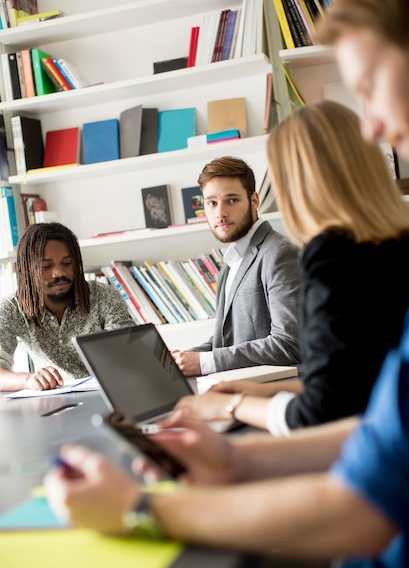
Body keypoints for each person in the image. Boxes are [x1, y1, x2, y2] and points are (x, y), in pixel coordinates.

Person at [44, 0, 409, 568]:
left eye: (372, 84)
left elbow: (361, 502)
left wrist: (138, 509)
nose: (371, 125)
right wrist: (235, 459)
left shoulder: (308, 254)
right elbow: (382, 433)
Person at [174, 101, 409, 434]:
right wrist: (260, 392)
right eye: (212, 202)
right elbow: (355, 379)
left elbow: (323, 405)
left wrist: (234, 405)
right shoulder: (393, 243)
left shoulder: (330, 255)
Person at [171, 156, 301, 377]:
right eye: (212, 203)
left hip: (272, 396)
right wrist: (181, 360)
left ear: (254, 201)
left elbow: (289, 344)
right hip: (236, 388)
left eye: (231, 200)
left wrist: (203, 362)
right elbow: (225, 341)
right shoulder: (231, 261)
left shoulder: (280, 253)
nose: (220, 213)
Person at [0, 222, 133, 392]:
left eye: (67, 263)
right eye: (46, 266)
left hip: (109, 393)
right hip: (54, 402)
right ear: (27, 269)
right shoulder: (11, 309)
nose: (59, 272)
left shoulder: (104, 296)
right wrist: (29, 379)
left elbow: (129, 352)